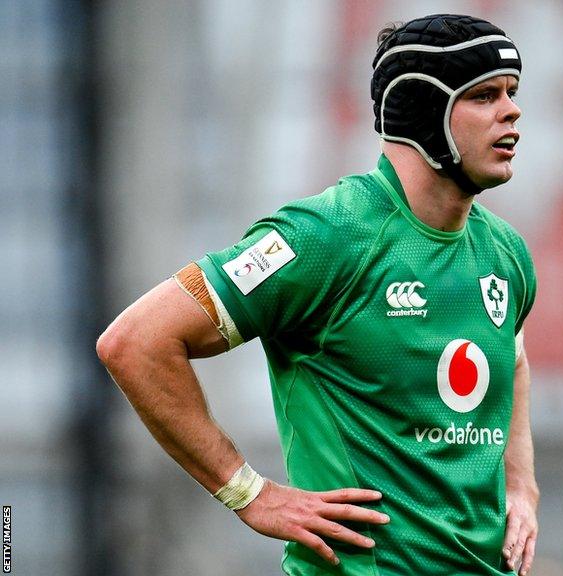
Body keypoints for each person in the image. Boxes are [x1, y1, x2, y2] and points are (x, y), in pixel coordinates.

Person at [97, 13, 539, 576]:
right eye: (484, 96)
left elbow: (514, 359)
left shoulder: (506, 254)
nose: (512, 110)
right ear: (422, 113)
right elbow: (136, 341)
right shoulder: (324, 238)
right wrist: (249, 493)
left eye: (512, 93)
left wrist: (523, 488)